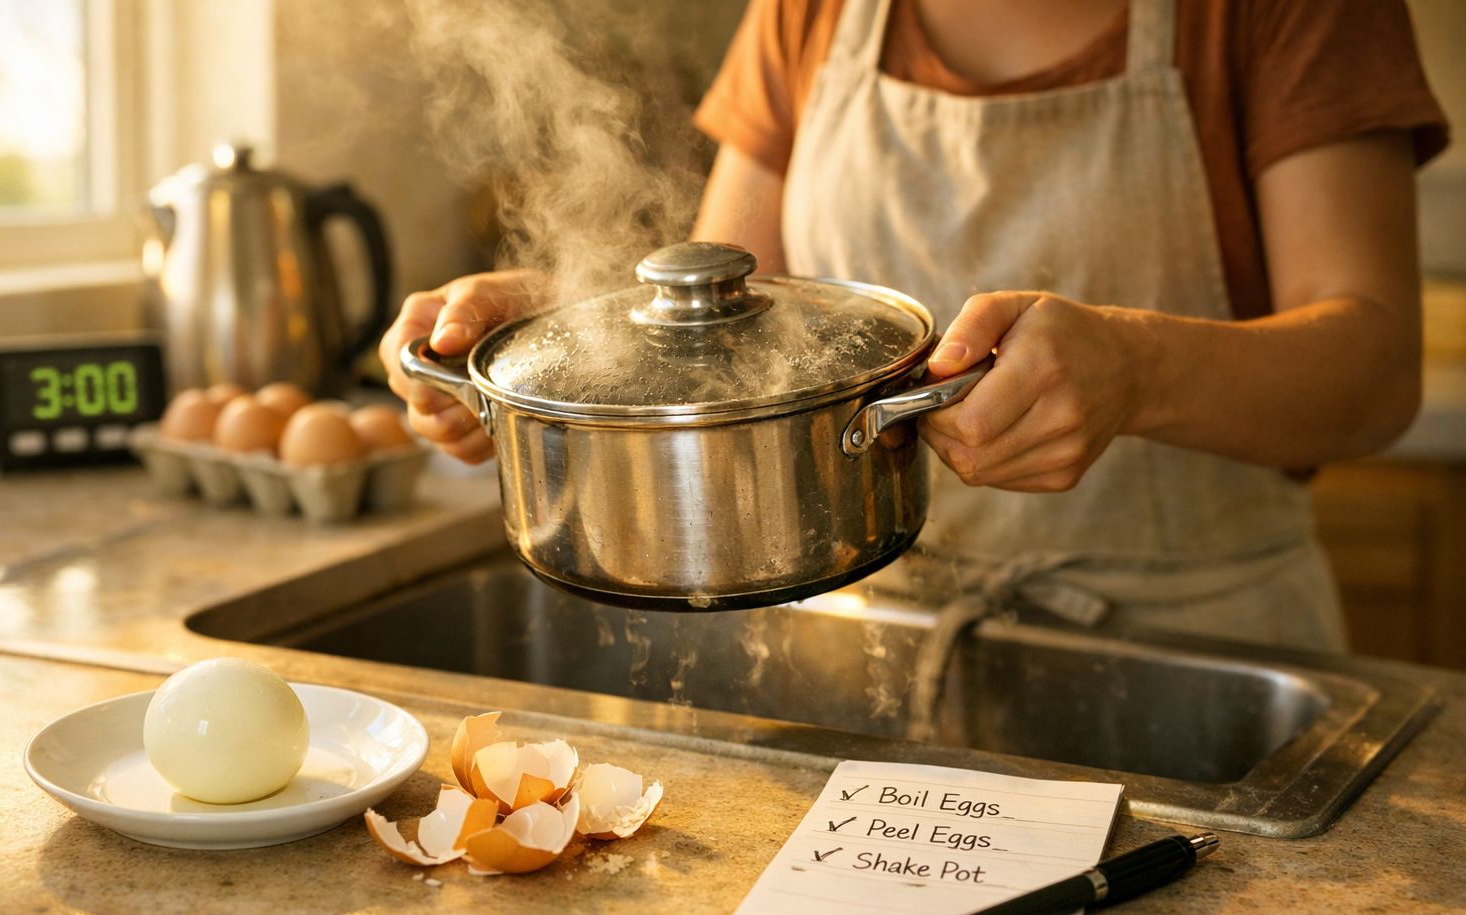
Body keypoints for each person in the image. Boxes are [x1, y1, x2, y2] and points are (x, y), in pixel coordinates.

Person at [380, 0, 1449, 651]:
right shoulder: (813, 8)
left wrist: (1139, 368)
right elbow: (727, 333)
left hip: (1197, 638)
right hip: (866, 638)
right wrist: (565, 331)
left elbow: (1374, 373)